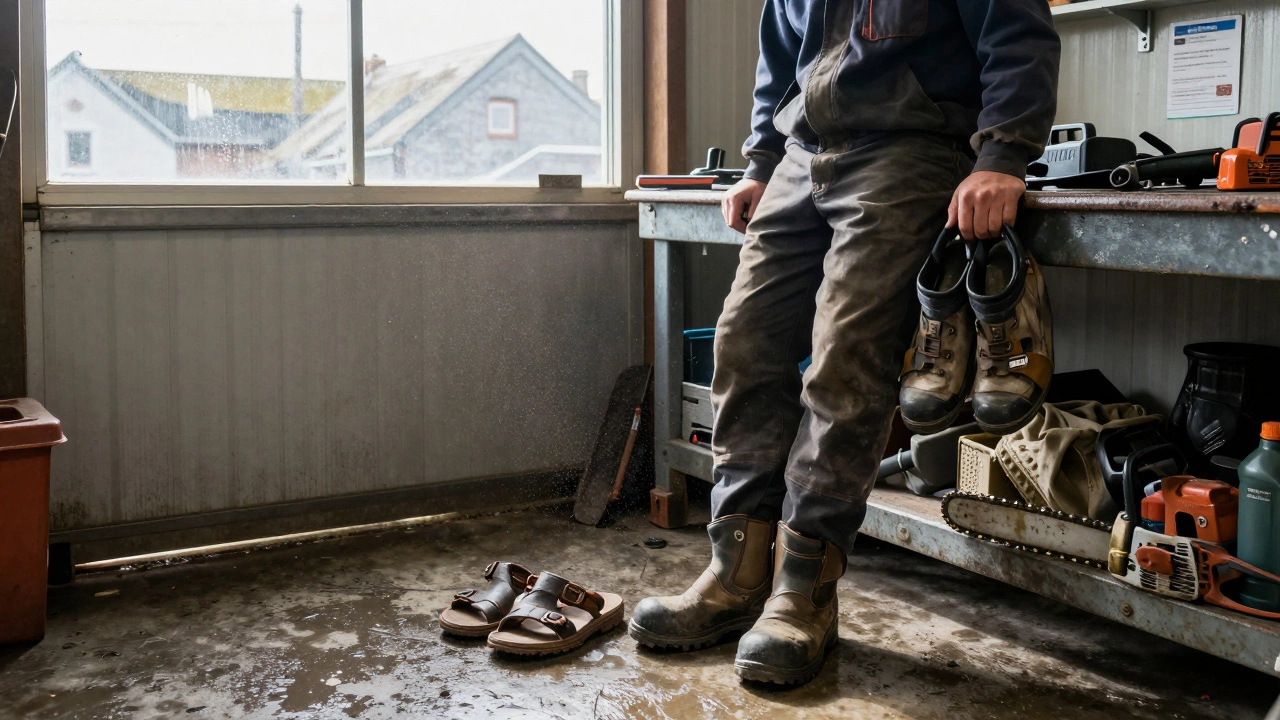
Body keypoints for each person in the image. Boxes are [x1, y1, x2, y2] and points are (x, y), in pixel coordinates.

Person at [629, 0, 1061, 686]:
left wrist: (1003, 157)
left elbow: (1018, 35)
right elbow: (780, 57)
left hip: (909, 152)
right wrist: (761, 162)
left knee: (843, 362)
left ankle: (804, 594)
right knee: (744, 346)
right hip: (802, 159)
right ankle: (734, 573)